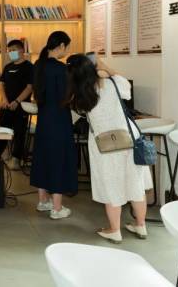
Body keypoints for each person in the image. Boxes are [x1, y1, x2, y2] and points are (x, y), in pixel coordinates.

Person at [65, 55, 152, 243]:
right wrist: (106, 68)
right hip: (128, 139)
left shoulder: (78, 95)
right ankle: (141, 225)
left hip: (104, 144)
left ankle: (115, 230)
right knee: (135, 183)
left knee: (111, 185)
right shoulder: (112, 83)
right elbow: (126, 89)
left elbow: (80, 114)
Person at [30, 31, 77, 220]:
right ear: (62, 46)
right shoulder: (61, 69)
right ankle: (57, 208)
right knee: (59, 160)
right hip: (59, 120)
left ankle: (43, 201)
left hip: (43, 120)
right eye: (68, 47)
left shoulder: (38, 65)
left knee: (42, 158)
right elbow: (67, 96)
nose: (67, 51)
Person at [0, 40, 34, 169]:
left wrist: (17, 101)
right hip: (6, 106)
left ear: (21, 50)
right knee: (1, 131)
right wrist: (4, 100)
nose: (11, 53)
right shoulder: (8, 67)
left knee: (19, 133)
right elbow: (1, 85)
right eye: (9, 50)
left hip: (21, 107)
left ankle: (16, 160)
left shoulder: (29, 67)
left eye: (13, 50)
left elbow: (29, 87)